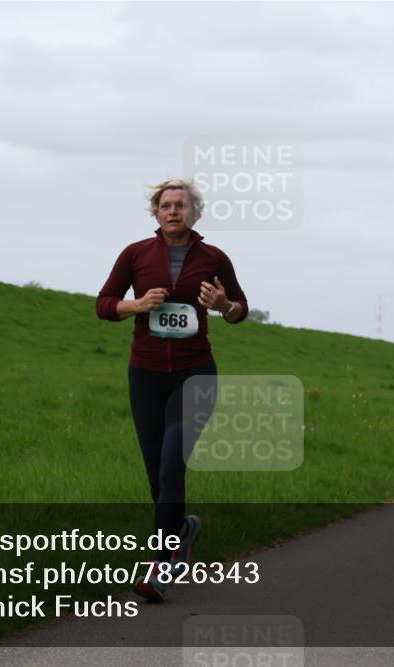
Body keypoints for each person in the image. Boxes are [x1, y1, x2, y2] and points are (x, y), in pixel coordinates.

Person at [96, 179, 248, 602]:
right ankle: (181, 529)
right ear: (156, 212)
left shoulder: (214, 258)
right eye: (166, 206)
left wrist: (223, 306)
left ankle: (161, 567)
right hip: (145, 375)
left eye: (181, 205)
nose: (173, 212)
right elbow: (104, 303)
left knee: (171, 467)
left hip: (195, 376)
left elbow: (240, 309)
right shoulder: (136, 254)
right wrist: (137, 305)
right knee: (155, 473)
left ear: (195, 212)